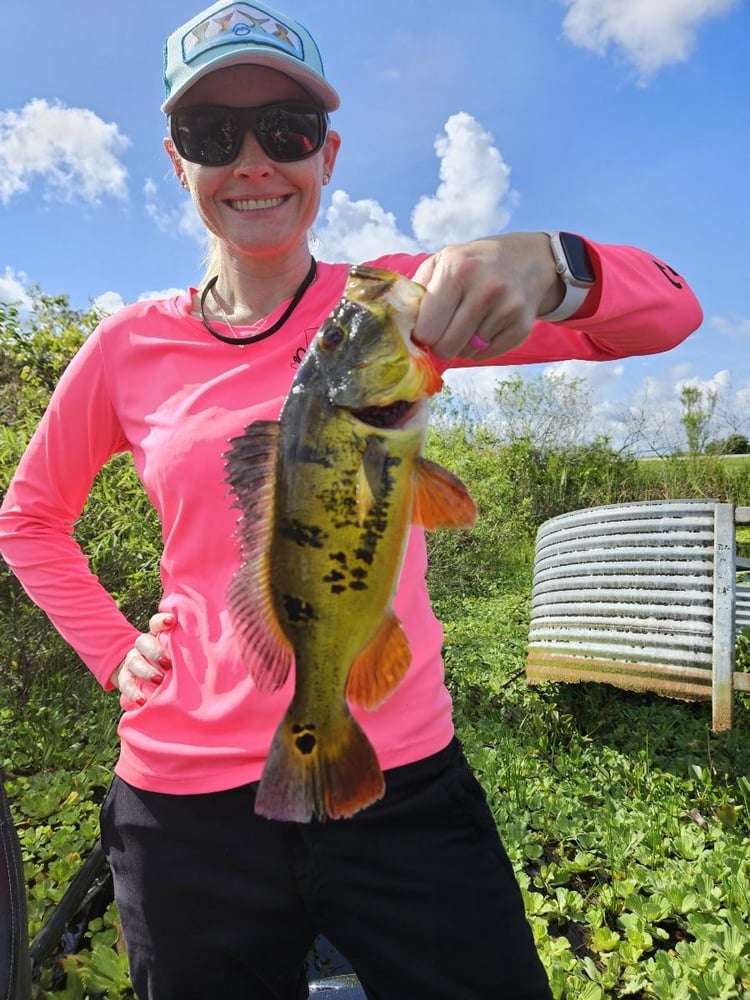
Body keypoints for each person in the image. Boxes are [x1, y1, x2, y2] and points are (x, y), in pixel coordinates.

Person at [0, 3, 703, 998]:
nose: (252, 161)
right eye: (213, 136)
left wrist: (546, 263)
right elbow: (27, 518)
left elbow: (673, 307)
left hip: (400, 772)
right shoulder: (126, 348)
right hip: (186, 805)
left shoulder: (395, 303)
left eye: (285, 130)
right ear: (175, 163)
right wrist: (116, 650)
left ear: (326, 154)